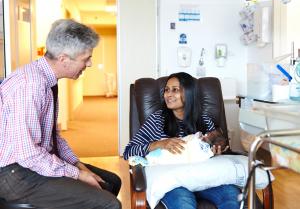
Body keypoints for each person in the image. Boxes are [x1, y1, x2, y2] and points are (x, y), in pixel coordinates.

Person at [0, 19, 121, 209]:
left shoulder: (47, 80)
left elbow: (52, 137)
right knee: (109, 204)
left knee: (111, 182)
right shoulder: (30, 85)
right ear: (64, 59)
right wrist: (77, 174)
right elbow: (28, 154)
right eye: (86, 58)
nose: (89, 64)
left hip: (31, 162)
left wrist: (77, 164)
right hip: (14, 174)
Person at [123, 72, 240, 209]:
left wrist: (217, 150)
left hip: (204, 178)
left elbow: (215, 143)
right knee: (183, 202)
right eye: (166, 90)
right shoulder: (157, 120)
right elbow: (128, 151)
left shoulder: (204, 120)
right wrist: (158, 144)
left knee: (231, 194)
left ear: (190, 93)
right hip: (175, 183)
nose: (168, 94)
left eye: (175, 90)